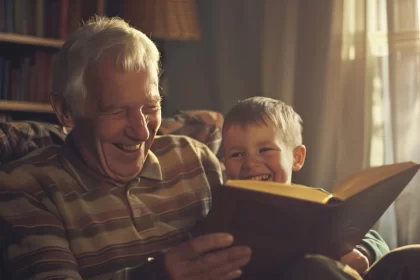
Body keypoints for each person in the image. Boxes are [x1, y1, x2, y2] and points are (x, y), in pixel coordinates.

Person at [0, 16, 251, 280]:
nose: (142, 131)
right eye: (116, 110)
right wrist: (159, 274)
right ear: (65, 111)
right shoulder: (26, 189)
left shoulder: (196, 159)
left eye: (150, 107)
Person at [221, 96, 420, 279]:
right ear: (224, 163)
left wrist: (363, 252)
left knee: (411, 257)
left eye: (265, 150)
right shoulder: (225, 215)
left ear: (297, 158)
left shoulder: (320, 203)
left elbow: (377, 241)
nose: (250, 163)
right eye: (237, 154)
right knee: (316, 269)